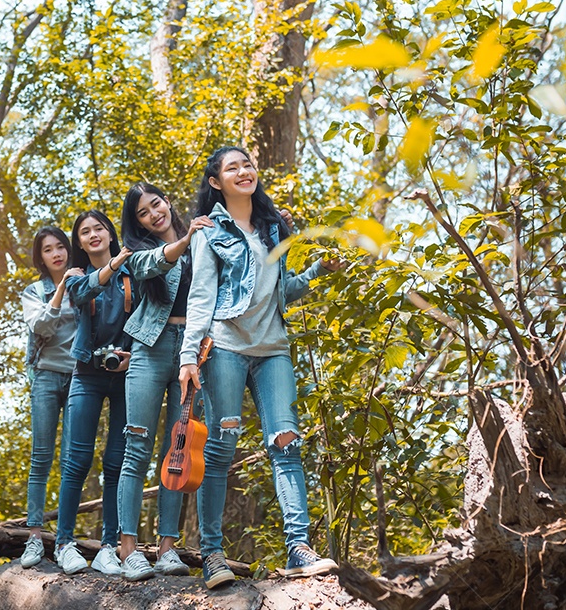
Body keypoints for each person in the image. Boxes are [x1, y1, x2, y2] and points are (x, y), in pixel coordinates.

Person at [178, 146, 346, 589]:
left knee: (286, 445)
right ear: (216, 182)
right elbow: (202, 295)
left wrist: (318, 270)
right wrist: (188, 356)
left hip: (273, 350)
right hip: (226, 347)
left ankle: (299, 548)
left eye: (247, 164)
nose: (243, 171)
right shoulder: (209, 230)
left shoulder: (274, 228)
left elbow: (281, 290)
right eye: (232, 167)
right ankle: (212, 554)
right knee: (220, 449)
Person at [112, 182, 213, 581]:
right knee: (137, 446)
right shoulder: (139, 252)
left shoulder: (204, 240)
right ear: (138, 222)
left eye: (156, 204)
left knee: (180, 448)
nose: (154, 214)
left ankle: (168, 548)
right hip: (150, 349)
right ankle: (128, 550)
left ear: (167, 201)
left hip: (193, 351)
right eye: (143, 213)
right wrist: (185, 241)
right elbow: (152, 265)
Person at [53, 210, 136, 575]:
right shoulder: (76, 277)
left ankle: (108, 547)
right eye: (84, 232)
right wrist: (113, 265)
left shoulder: (132, 275)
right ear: (80, 243)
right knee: (77, 460)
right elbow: (86, 291)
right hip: (86, 374)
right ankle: (64, 543)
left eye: (98, 228)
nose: (92, 235)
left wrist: (133, 356)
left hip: (125, 375)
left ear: (110, 233)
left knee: (116, 461)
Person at [17, 227, 81, 568]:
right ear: (40, 257)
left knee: (72, 459)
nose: (56, 254)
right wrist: (60, 290)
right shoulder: (34, 291)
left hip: (80, 379)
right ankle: (34, 536)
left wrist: (75, 285)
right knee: (41, 457)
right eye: (48, 249)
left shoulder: (86, 283)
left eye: (60, 247)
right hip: (45, 376)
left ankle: (65, 540)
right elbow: (40, 326)